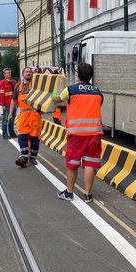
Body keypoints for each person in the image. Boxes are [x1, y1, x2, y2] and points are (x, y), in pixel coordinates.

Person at [53, 63, 103, 203]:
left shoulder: (71, 90)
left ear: (78, 75)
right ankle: (88, 195)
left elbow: (58, 100)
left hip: (76, 135)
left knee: (73, 164)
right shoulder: (97, 91)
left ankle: (69, 193)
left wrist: (53, 96)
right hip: (94, 134)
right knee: (90, 164)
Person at [11, 67, 42, 167]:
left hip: (34, 114)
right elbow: (14, 100)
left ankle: (32, 157)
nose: (28, 73)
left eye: (30, 72)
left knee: (34, 137)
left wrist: (38, 73)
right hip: (23, 115)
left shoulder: (36, 84)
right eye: (26, 72)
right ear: (23, 73)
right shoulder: (17, 86)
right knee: (22, 135)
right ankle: (24, 157)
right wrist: (11, 113)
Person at [0, 68, 16, 140]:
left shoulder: (14, 82)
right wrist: (3, 105)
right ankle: (5, 134)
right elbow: (1, 94)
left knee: (12, 119)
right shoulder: (2, 83)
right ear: (4, 74)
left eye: (10, 73)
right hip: (7, 104)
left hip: (14, 104)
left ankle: (12, 133)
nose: (9, 74)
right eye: (7, 73)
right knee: (5, 119)